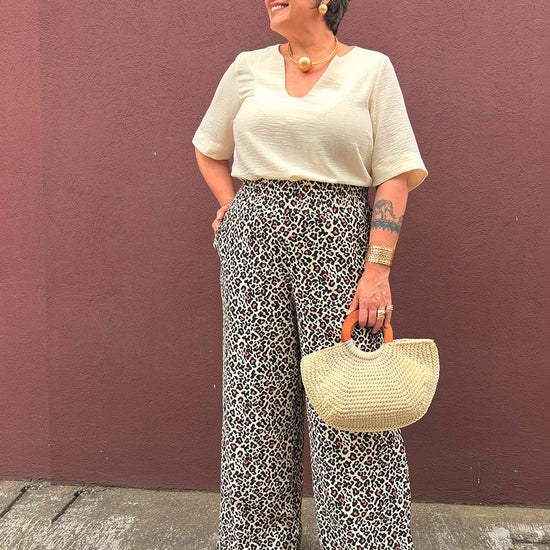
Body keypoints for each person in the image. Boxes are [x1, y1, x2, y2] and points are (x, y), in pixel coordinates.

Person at [192, 0, 428, 548]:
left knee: (350, 392)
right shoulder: (247, 67)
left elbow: (395, 174)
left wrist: (378, 270)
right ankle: (257, 539)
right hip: (253, 240)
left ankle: (365, 539)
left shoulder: (372, 69)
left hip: (339, 239)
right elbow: (208, 148)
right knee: (255, 397)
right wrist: (231, 205)